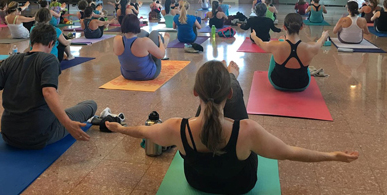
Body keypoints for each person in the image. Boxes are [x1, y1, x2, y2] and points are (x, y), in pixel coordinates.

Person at [105, 60, 358, 194]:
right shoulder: (248, 131)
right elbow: (289, 152)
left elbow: (142, 131)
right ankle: (232, 79)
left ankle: (227, 80)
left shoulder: (174, 129)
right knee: (225, 102)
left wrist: (119, 129)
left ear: (194, 92)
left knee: (204, 116)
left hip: (197, 182)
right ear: (226, 96)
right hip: (240, 186)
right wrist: (332, 156)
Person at [0, 23, 97, 149]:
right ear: (51, 44)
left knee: (58, 110)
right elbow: (48, 92)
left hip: (9, 135)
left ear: (31, 41)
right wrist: (67, 123)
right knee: (90, 104)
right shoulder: (49, 60)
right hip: (39, 135)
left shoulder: (11, 60)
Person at [252, 13, 328, 91]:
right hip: (302, 85)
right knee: (305, 60)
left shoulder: (275, 45)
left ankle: (283, 42)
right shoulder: (310, 47)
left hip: (278, 83)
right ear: (302, 27)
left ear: (284, 27)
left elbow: (259, 43)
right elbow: (320, 42)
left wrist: (254, 36)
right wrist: (323, 36)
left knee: (275, 51)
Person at [113, 14, 170, 80]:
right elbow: (161, 55)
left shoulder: (117, 39)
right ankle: (164, 44)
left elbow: (117, 52)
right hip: (147, 75)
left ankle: (154, 48)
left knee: (142, 33)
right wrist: (161, 42)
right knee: (154, 33)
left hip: (127, 75)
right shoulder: (145, 41)